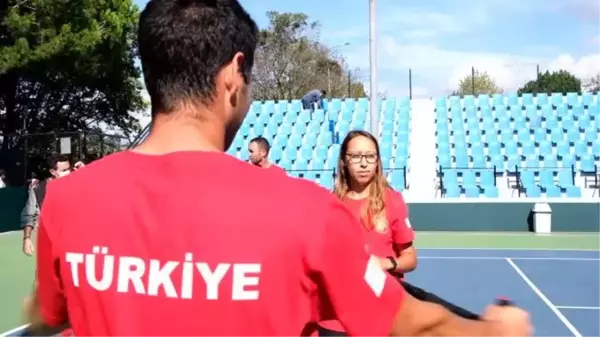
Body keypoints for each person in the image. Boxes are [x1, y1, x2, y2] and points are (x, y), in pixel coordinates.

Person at [26, 0, 531, 336]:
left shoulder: (68, 200)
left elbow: (46, 316)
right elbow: (410, 323)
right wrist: (492, 329)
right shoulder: (307, 211)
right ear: (232, 74)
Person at [317, 130, 480, 336]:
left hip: (384, 315)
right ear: (344, 161)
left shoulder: (392, 201)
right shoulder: (329, 205)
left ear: (377, 161)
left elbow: (410, 259)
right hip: (336, 319)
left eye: (370, 156)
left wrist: (384, 263)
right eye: (356, 156)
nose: (364, 163)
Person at [22, 155, 80, 257]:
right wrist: (27, 238)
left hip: (76, 242)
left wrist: (86, 171)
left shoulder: (77, 184)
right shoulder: (39, 189)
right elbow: (29, 214)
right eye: (64, 170)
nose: (68, 173)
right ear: (53, 172)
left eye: (69, 169)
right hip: (50, 242)